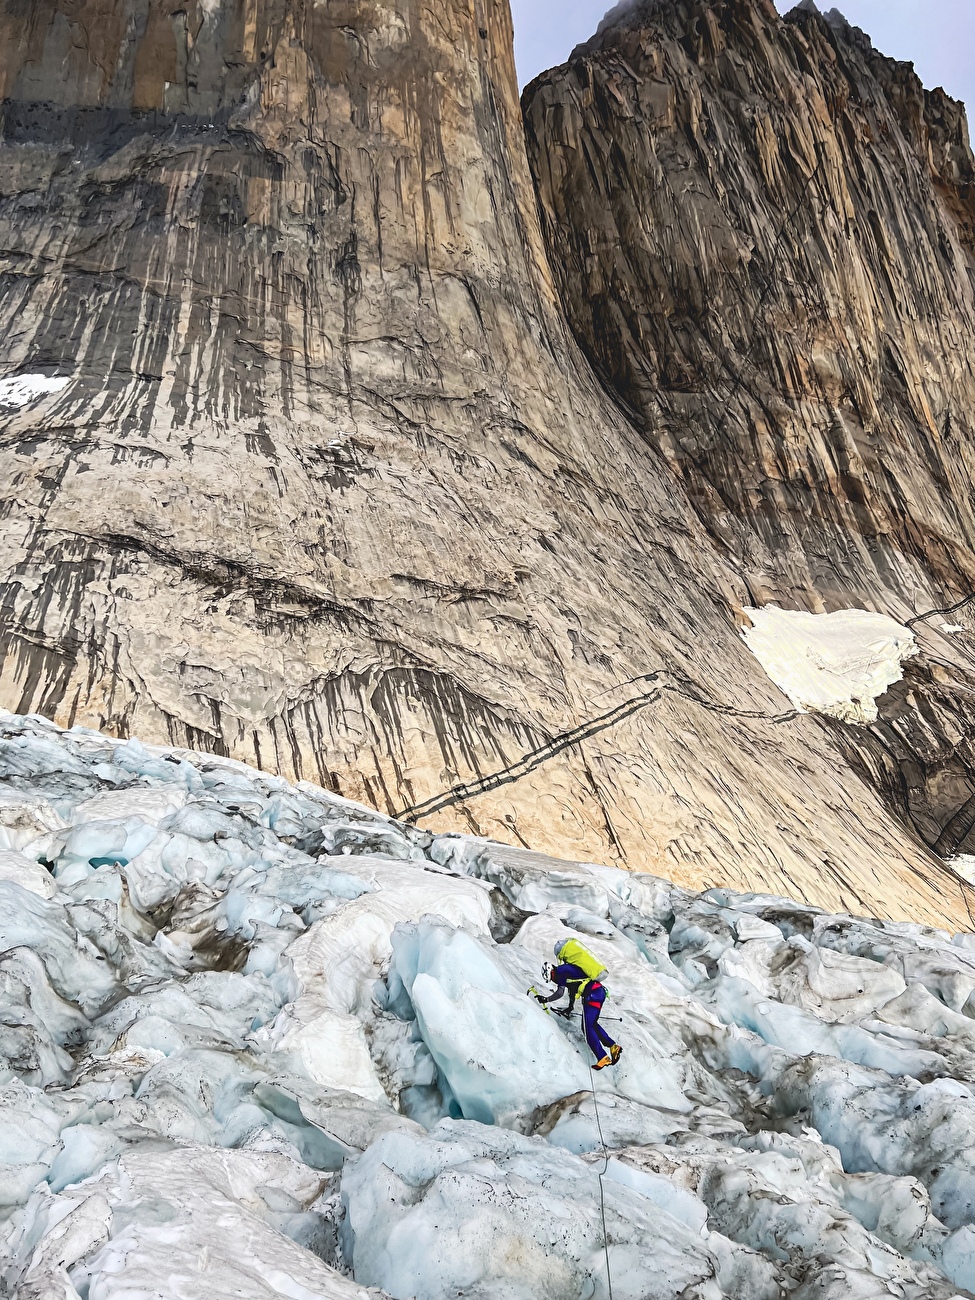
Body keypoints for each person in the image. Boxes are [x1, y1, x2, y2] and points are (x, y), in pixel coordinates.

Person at [534, 938, 622, 1070]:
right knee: (592, 1024)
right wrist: (570, 1008)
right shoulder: (566, 973)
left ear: (551, 972)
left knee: (586, 1027)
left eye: (551, 978)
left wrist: (546, 1000)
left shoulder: (561, 972)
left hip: (592, 995)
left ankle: (602, 1057)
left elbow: (560, 993)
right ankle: (613, 1047)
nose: (553, 980)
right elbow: (571, 992)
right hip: (598, 993)